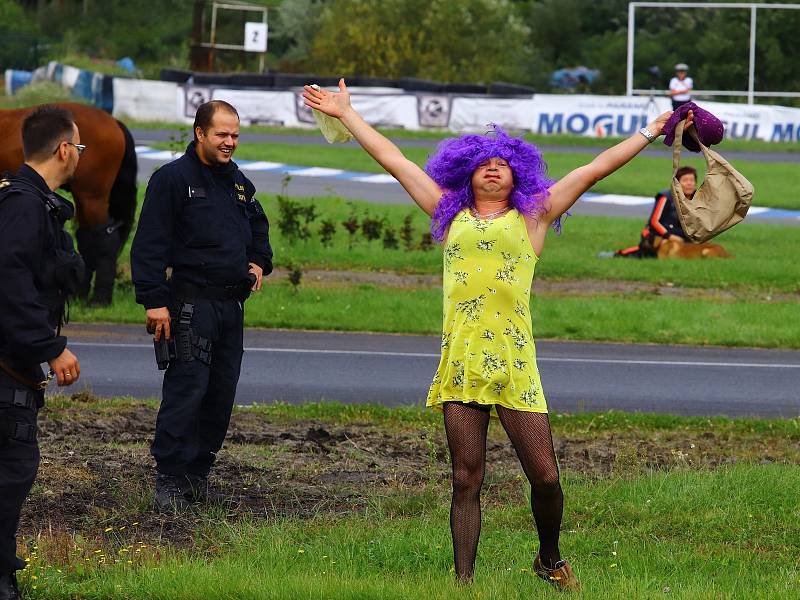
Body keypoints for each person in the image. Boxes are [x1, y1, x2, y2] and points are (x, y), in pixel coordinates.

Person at [304, 80, 693, 590]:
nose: (492, 167)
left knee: (546, 478)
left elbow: (595, 168)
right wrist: (347, 114)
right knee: (466, 478)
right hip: (462, 366)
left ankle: (549, 558)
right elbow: (393, 159)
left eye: (503, 163)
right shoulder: (448, 210)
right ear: (468, 172)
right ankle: (463, 582)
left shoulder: (535, 214)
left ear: (517, 174)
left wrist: (652, 129)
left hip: (515, 367)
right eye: (483, 162)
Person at [130, 100, 273, 512]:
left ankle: (197, 476)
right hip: (190, 305)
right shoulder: (172, 180)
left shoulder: (238, 183)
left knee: (220, 395)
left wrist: (260, 261)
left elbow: (258, 227)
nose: (230, 142)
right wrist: (154, 301)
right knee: (187, 390)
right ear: (200, 134)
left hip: (232, 307)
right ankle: (170, 480)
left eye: (235, 135)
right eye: (222, 135)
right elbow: (149, 245)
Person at [0, 105, 84, 600]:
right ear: (64, 149)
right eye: (80, 147)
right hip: (8, 366)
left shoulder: (25, 200)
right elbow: (9, 281)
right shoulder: (25, 207)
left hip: (14, 362)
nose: (79, 156)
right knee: (11, 471)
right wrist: (51, 347)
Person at [616, 166, 696, 258]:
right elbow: (654, 221)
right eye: (685, 180)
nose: (689, 183)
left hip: (682, 237)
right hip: (658, 235)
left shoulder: (697, 200)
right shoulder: (666, 197)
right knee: (652, 253)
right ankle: (620, 254)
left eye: (692, 180)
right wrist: (669, 236)